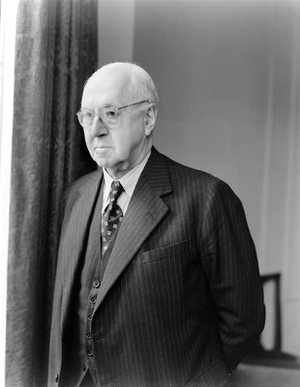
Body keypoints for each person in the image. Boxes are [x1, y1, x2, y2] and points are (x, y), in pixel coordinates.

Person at [48, 62, 265, 387]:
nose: (95, 130)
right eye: (87, 116)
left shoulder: (207, 199)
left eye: (110, 114)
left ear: (148, 118)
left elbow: (243, 321)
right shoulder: (75, 196)